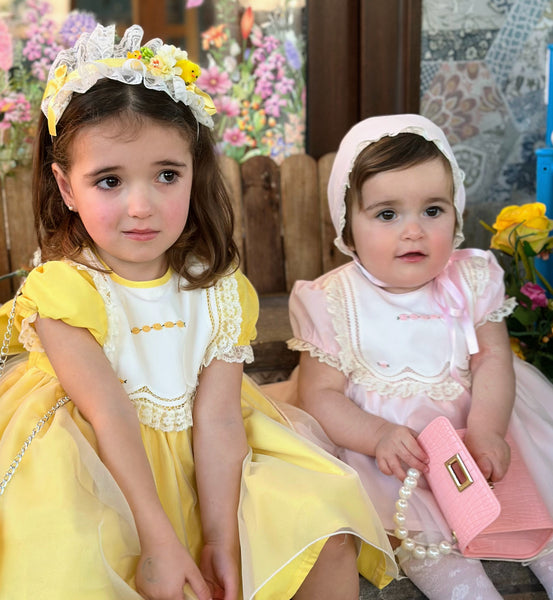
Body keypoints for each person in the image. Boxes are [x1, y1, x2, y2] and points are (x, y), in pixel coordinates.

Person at [0, 25, 398, 600]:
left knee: (320, 531)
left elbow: (219, 421)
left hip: (211, 462)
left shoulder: (219, 292)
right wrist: (159, 541)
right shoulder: (64, 291)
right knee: (74, 558)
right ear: (65, 187)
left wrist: (221, 537)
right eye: (109, 181)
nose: (142, 206)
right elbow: (110, 417)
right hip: (99, 466)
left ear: (194, 169)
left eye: (167, 175)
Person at [277, 114, 553, 599]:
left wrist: (488, 429)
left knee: (532, 513)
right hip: (393, 458)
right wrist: (376, 434)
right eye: (387, 214)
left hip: (477, 430)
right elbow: (319, 394)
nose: (413, 231)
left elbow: (493, 358)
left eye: (433, 210)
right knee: (426, 545)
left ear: (456, 212)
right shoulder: (332, 300)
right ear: (348, 226)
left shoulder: (472, 279)